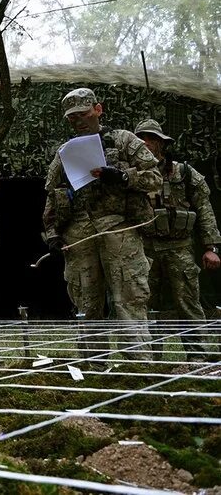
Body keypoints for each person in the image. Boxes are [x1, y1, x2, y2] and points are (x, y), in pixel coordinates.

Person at [43, 88, 161, 362]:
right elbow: (53, 193)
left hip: (119, 229)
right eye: (72, 119)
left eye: (83, 114)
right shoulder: (66, 152)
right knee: (86, 303)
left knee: (128, 299)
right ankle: (94, 369)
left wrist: (121, 177)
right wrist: (52, 234)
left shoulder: (124, 141)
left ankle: (139, 368)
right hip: (79, 233)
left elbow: (154, 177)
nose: (79, 121)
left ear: (98, 109)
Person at [135, 118, 220, 361]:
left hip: (180, 247)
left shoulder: (183, 172)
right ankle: (150, 360)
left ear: (162, 143)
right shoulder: (132, 177)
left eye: (151, 138)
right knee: (145, 307)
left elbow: (204, 208)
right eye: (141, 139)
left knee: (188, 304)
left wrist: (210, 247)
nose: (146, 143)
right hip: (146, 249)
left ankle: (197, 358)